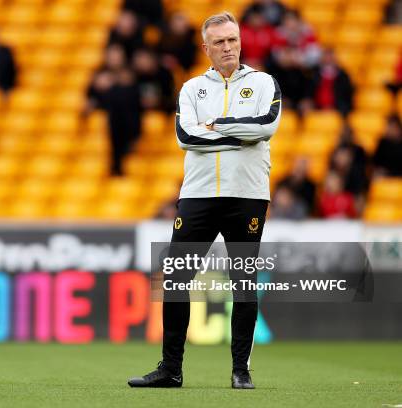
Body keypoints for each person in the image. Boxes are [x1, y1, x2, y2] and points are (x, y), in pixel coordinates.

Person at [128, 12, 281, 390]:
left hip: (247, 195)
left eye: (232, 39)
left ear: (240, 41)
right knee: (177, 280)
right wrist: (240, 131)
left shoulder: (263, 82)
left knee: (243, 283)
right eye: (219, 42)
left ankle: (241, 371)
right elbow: (185, 136)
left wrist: (215, 125)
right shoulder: (192, 88)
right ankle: (171, 369)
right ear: (206, 48)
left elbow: (266, 126)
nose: (227, 47)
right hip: (197, 196)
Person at [86, 45, 141, 175]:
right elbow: (89, 97)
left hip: (127, 121)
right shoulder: (99, 75)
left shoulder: (131, 74)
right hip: (110, 119)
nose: (114, 59)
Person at [305, 49, 354, 117]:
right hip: (316, 107)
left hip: (337, 108)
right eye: (326, 56)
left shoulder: (342, 75)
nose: (328, 59)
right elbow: (308, 90)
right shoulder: (313, 73)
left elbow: (348, 93)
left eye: (330, 56)